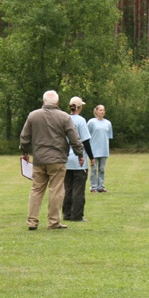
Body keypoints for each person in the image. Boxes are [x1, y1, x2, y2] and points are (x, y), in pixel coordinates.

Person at [20, 90, 84, 230]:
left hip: (39, 159)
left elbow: (24, 137)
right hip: (57, 159)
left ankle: (32, 221)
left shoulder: (33, 116)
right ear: (57, 103)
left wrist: (25, 152)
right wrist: (80, 154)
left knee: (36, 189)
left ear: (43, 102)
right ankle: (54, 222)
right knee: (56, 190)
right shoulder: (64, 117)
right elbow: (74, 137)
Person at [62, 97, 95, 222]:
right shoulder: (81, 121)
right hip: (78, 158)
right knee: (78, 188)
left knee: (68, 187)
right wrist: (91, 157)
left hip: (65, 158)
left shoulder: (64, 119)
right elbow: (85, 141)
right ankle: (77, 215)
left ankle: (66, 213)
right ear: (80, 107)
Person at [87, 105, 113, 193]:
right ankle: (93, 187)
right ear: (96, 111)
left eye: (103, 110)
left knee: (102, 169)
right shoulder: (91, 122)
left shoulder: (108, 123)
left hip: (104, 150)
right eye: (100, 110)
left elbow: (109, 136)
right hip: (94, 150)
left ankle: (101, 187)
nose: (102, 112)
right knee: (94, 169)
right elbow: (87, 134)